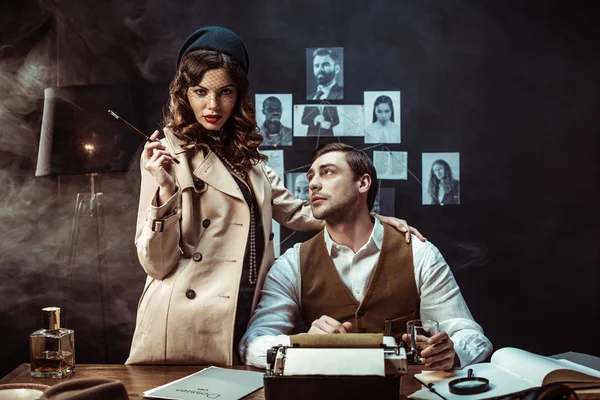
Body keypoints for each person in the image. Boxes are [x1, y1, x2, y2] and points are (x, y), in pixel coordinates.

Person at [126, 27, 423, 366]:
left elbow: (299, 213)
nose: (213, 105)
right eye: (200, 91)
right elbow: (156, 264)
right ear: (184, 93)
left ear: (239, 95)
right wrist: (165, 188)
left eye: (225, 91)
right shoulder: (165, 155)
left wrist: (371, 220)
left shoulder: (249, 159)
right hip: (185, 318)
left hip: (243, 311)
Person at [240, 143, 492, 370]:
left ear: (362, 183)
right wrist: (304, 344)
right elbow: (252, 345)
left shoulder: (419, 252)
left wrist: (453, 353)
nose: (313, 183)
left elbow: (470, 335)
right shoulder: (291, 264)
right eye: (311, 177)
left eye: (327, 172)